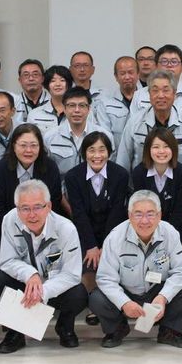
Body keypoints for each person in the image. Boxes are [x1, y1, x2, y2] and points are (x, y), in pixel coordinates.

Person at [89, 190, 182, 348]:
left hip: (157, 291)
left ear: (159, 215)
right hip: (127, 291)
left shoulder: (170, 233)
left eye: (150, 214)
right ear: (129, 215)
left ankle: (170, 332)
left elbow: (180, 270)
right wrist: (124, 302)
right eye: (138, 214)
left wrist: (163, 297)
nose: (144, 220)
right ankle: (117, 329)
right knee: (96, 298)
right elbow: (105, 278)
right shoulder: (115, 237)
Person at [0, 179, 88, 353]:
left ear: (49, 206)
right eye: (25, 208)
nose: (32, 215)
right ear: (17, 209)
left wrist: (43, 292)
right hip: (26, 284)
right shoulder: (9, 220)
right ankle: (15, 333)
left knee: (78, 293)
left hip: (54, 286)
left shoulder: (66, 229)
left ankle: (65, 327)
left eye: (37, 207)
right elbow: (6, 261)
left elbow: (72, 274)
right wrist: (30, 274)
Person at [64, 132, 129, 325]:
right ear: (84, 153)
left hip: (113, 231)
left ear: (109, 152)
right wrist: (91, 245)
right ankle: (94, 305)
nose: (97, 155)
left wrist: (105, 246)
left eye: (102, 150)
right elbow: (78, 213)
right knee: (89, 260)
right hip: (85, 232)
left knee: (112, 259)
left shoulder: (120, 174)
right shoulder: (73, 176)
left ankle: (115, 304)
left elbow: (117, 211)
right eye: (91, 150)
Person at [0, 123, 63, 254]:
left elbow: (53, 207)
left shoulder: (50, 168)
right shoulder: (0, 170)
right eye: (23, 145)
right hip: (8, 236)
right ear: (13, 146)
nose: (28, 150)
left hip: (44, 235)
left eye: (34, 145)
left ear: (40, 147)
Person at [116, 70, 182, 171]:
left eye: (166, 90)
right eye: (155, 90)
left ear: (174, 94)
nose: (160, 95)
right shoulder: (134, 122)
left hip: (178, 180)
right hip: (141, 180)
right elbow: (123, 161)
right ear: (149, 94)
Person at [131, 127, 182, 243]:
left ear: (173, 149)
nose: (161, 151)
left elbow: (178, 211)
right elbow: (142, 208)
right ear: (148, 149)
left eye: (166, 146)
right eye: (156, 147)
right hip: (146, 226)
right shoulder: (139, 172)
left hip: (175, 229)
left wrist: (166, 236)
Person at [43, 87, 114, 182]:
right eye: (72, 105)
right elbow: (47, 171)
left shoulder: (105, 136)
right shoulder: (50, 137)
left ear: (89, 109)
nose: (77, 110)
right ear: (64, 108)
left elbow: (110, 170)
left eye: (82, 105)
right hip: (62, 189)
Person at [130, 45, 182, 116]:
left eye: (174, 61)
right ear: (156, 66)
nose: (169, 65)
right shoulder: (139, 95)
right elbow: (133, 122)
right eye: (164, 61)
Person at [98, 56, 139, 147]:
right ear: (116, 77)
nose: (127, 77)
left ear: (138, 74)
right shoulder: (105, 103)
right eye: (122, 73)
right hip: (116, 153)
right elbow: (105, 135)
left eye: (131, 72)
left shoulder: (148, 99)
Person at [27, 64, 73, 134]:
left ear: (68, 84)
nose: (58, 84)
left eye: (62, 80)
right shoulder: (34, 114)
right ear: (47, 85)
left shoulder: (79, 111)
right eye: (53, 81)